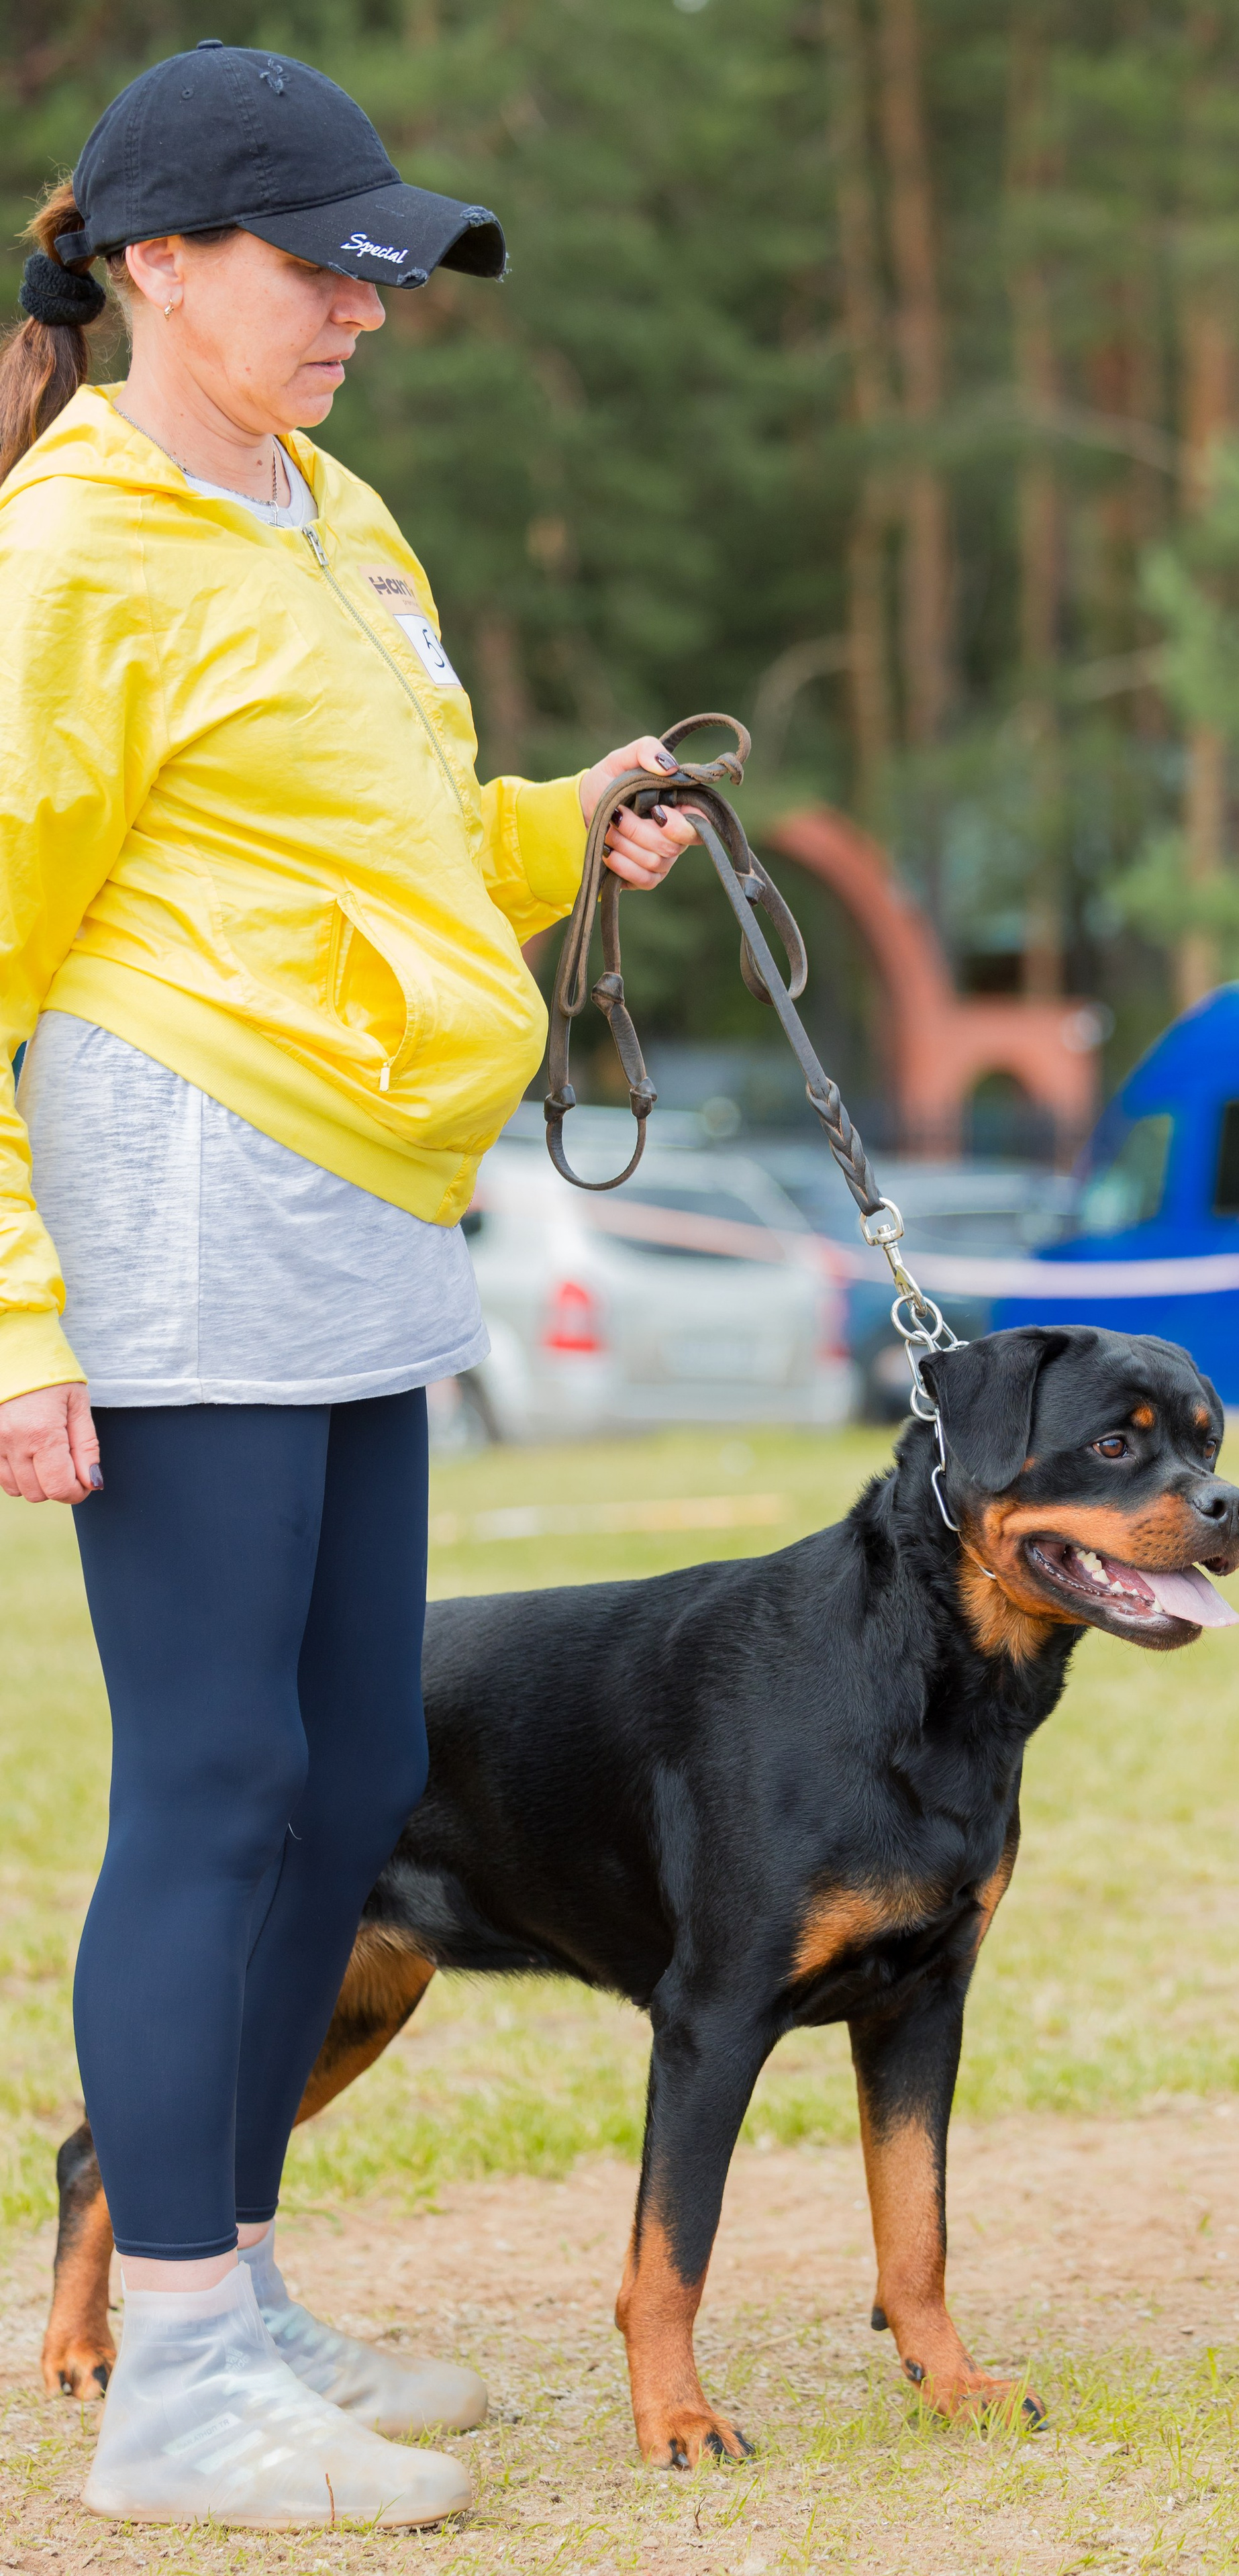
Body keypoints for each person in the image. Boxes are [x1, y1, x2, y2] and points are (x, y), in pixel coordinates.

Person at [0, 44, 697, 2530]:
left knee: (359, 1771)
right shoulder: (68, 565)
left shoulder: (330, 509)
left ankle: (237, 2282)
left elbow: (406, 840)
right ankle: (165, 2373)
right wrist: (15, 1315)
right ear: (155, 266)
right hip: (177, 1221)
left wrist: (567, 827)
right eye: (323, 269)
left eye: (383, 275)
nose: (365, 313)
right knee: (214, 1783)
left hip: (363, 1215)